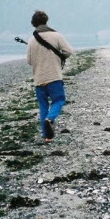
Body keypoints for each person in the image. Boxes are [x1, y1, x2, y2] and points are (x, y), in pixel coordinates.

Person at [26, 10, 73, 142]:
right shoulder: (56, 35)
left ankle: (47, 137)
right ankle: (50, 119)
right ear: (46, 20)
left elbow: (29, 61)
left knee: (43, 106)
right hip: (54, 77)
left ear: (33, 24)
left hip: (39, 79)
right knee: (58, 100)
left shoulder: (31, 40)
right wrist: (59, 57)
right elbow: (69, 51)